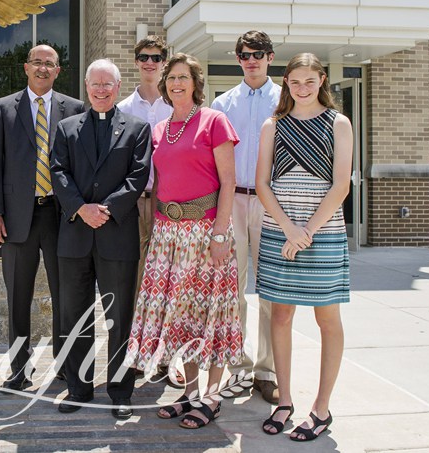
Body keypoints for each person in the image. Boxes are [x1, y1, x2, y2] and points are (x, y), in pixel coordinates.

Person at [125, 53, 243, 430]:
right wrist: (159, 233)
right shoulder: (160, 130)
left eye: (183, 77)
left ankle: (211, 397)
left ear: (195, 83)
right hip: (168, 235)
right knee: (182, 317)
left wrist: (221, 233)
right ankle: (191, 393)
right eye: (171, 78)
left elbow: (227, 182)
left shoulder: (214, 121)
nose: (177, 84)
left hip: (207, 231)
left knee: (213, 314)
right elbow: (159, 186)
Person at [255, 53, 352, 441]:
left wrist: (306, 231)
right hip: (280, 229)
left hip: (323, 233)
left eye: (310, 81)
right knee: (280, 317)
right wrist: (287, 228)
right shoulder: (273, 125)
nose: (302, 88)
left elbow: (341, 184)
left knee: (327, 320)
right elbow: (262, 183)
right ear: (286, 83)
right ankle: (285, 400)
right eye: (295, 82)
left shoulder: (338, 123)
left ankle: (321, 408)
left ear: (322, 80)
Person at [50, 58, 151, 420]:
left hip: (116, 236)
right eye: (96, 84)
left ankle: (121, 392)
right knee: (74, 316)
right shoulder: (66, 127)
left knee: (119, 317)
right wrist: (81, 208)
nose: (102, 90)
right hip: (75, 235)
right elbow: (58, 171)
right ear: (87, 87)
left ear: (117, 87)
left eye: (108, 84)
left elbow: (138, 176)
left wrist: (103, 209)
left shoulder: (137, 128)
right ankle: (78, 388)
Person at [0, 44, 85, 391]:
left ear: (58, 71)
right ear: (26, 68)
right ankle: (19, 370)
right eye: (37, 63)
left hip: (60, 217)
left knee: (65, 296)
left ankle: (65, 367)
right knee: (18, 297)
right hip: (16, 219)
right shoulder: (3, 108)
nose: (43, 68)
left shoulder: (74, 109)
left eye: (50, 64)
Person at [210, 30, 280, 404]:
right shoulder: (222, 104)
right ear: (237, 59)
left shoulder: (285, 99)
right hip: (233, 202)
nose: (251, 59)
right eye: (244, 54)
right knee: (231, 290)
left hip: (271, 203)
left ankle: (266, 371)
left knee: (269, 290)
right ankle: (238, 366)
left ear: (270, 56)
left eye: (258, 53)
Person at [116, 36, 173, 284]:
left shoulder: (176, 106)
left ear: (164, 62)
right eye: (143, 57)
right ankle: (134, 324)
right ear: (136, 62)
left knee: (167, 268)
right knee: (134, 270)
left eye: (156, 58)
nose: (150, 62)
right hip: (134, 202)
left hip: (169, 200)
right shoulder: (123, 108)